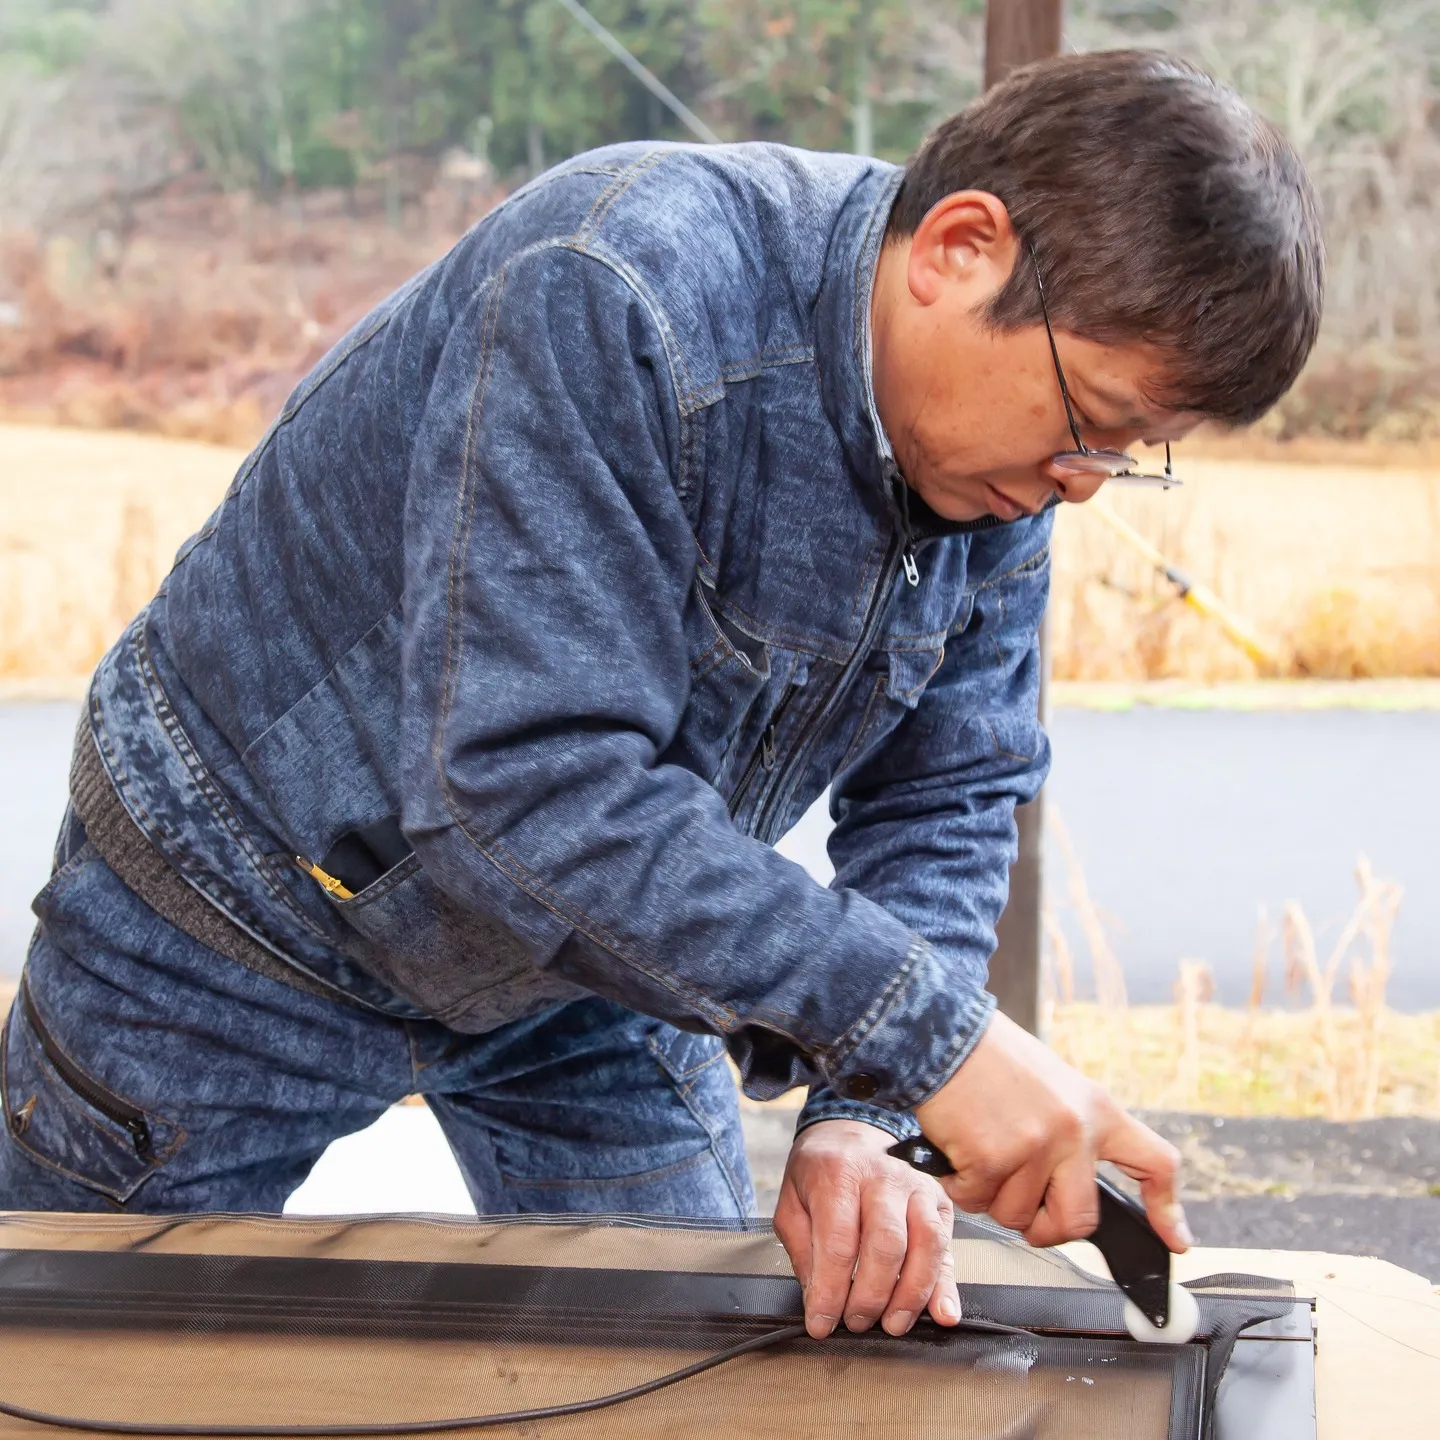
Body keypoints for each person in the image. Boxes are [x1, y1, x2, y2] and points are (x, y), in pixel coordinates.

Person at [2, 49, 1321, 1344]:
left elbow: (951, 794)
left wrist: (874, 1112)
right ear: (958, 250)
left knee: (699, 1372)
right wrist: (934, 1038)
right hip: (229, 922)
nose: (1086, 482)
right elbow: (520, 785)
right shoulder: (613, 286)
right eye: (1089, 418)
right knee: (62, 1366)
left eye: (1128, 453)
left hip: (589, 972)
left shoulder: (1001, 467)